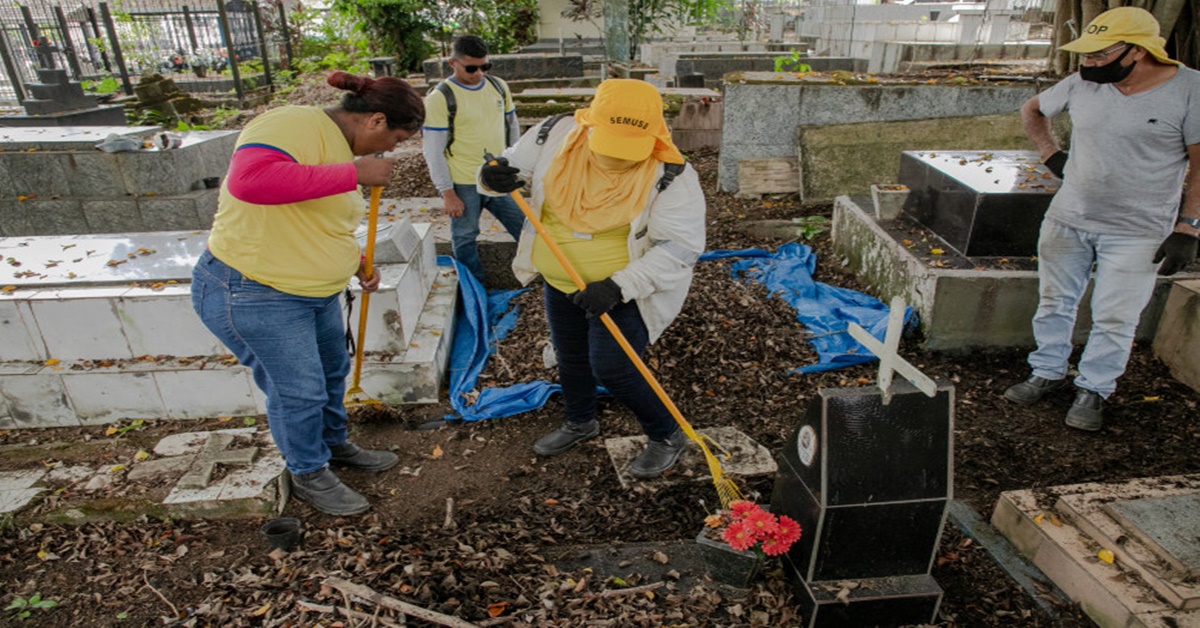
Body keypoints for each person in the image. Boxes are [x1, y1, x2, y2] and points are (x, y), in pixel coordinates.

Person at [191, 71, 424, 515]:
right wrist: (353, 173)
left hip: (312, 292)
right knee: (299, 391)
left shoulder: (340, 147)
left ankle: (333, 446)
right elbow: (251, 183)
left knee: (331, 375)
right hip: (255, 291)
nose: (390, 150)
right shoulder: (291, 124)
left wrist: (353, 262)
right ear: (375, 120)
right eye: (393, 139)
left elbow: (315, 217)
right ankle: (308, 471)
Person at [478, 79, 706, 479]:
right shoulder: (554, 134)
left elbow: (680, 249)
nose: (617, 156)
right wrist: (491, 176)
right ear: (589, 122)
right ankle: (580, 421)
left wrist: (619, 286)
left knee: (613, 366)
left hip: (620, 291)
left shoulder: (672, 174)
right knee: (571, 356)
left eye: (628, 145)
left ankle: (666, 435)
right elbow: (509, 165)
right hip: (559, 276)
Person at [1005, 7, 1199, 431]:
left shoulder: (1190, 90)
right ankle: (1047, 370)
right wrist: (1050, 154)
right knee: (1055, 300)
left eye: (1098, 55)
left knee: (1115, 315)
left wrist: (1188, 227)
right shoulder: (1081, 82)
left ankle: (1095, 387)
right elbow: (1032, 110)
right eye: (1084, 55)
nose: (1087, 63)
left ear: (1138, 51)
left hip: (1137, 230)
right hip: (1068, 218)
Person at [422, 35, 525, 284]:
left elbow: (512, 128)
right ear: (452, 63)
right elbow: (433, 149)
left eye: (484, 66)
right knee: (465, 236)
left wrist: (515, 165)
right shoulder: (440, 98)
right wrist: (447, 192)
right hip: (464, 181)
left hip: (498, 177)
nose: (479, 73)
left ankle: (537, 275)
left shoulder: (498, 86)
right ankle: (473, 285)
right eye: (471, 68)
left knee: (525, 228)